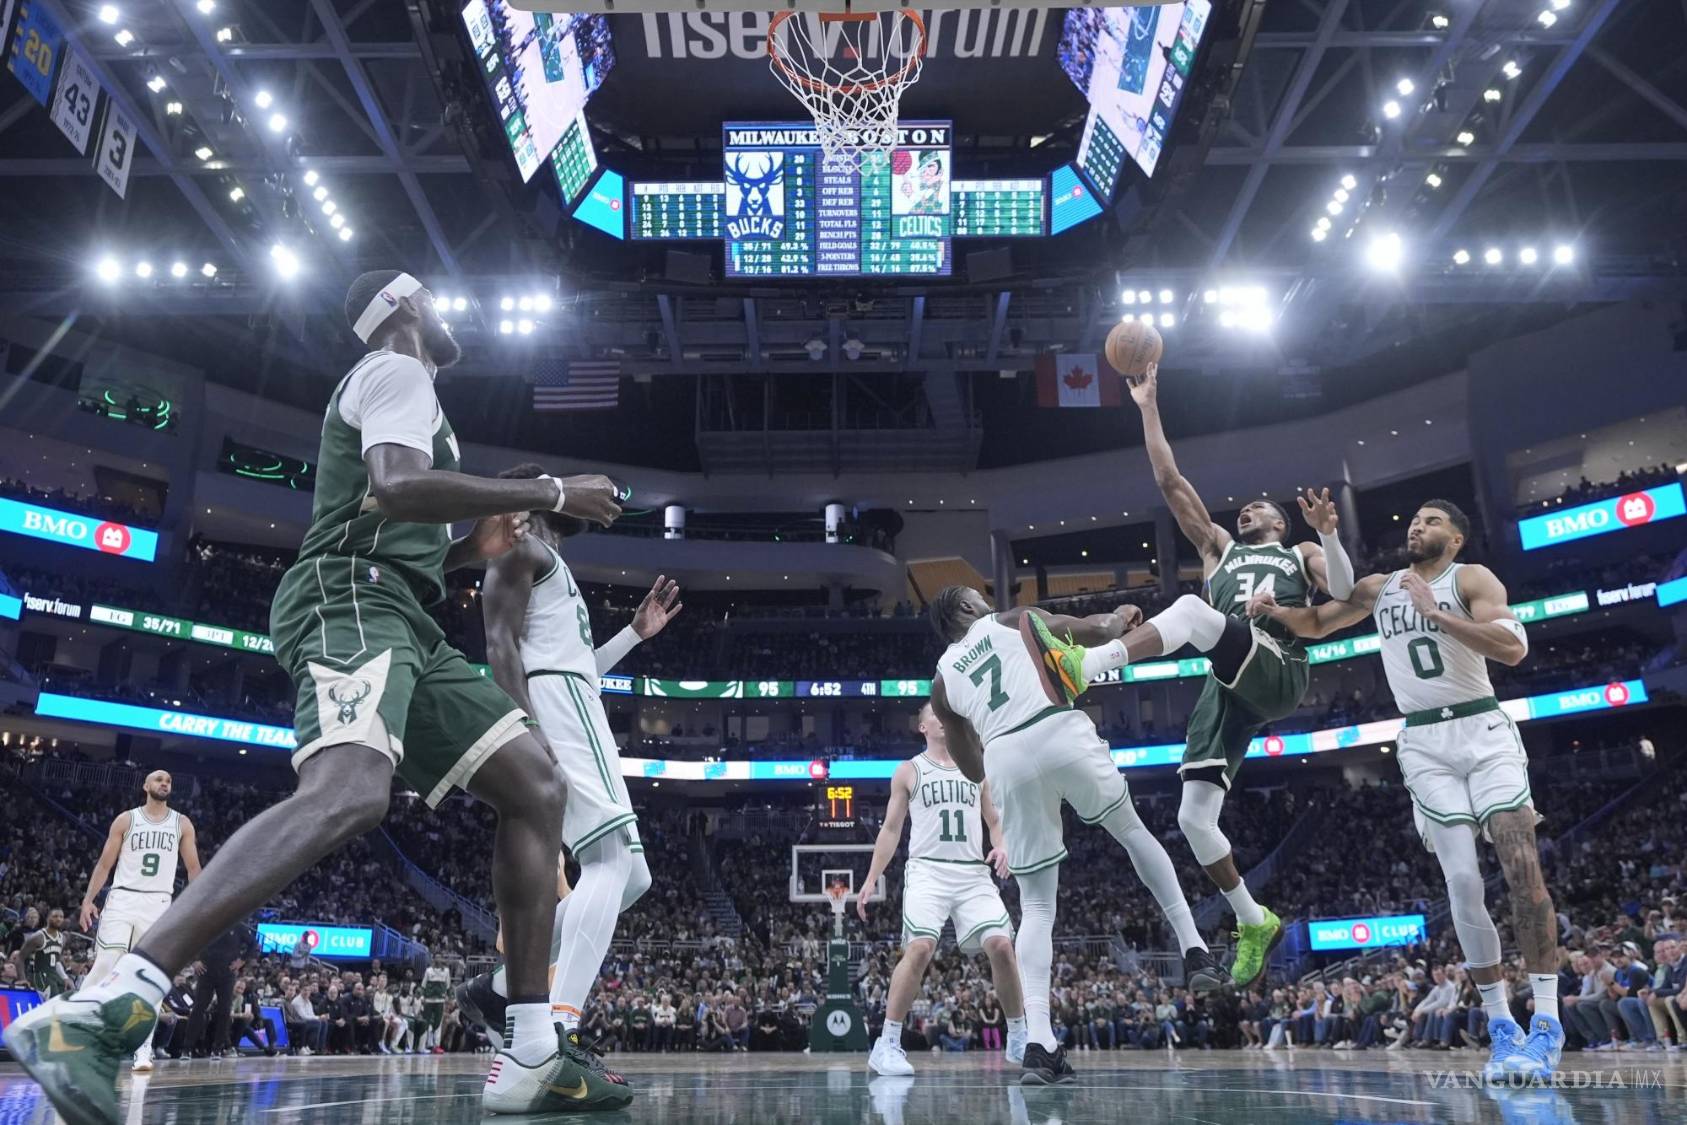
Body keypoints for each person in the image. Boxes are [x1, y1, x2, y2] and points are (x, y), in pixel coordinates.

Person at [2, 270, 630, 1122]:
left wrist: (464, 548)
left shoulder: (411, 392)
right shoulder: (396, 367)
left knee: (537, 785)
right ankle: (104, 1004)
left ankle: (531, 1051)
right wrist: (549, 491)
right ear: (404, 307)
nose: (444, 311)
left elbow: (395, 519)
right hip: (349, 597)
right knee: (350, 791)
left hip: (400, 609)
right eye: (431, 296)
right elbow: (397, 485)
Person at [1024, 363, 1351, 991]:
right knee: (1194, 818)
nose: (1248, 509)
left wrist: (1329, 537)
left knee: (1195, 613)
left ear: (1281, 523)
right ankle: (1253, 919)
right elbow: (1170, 480)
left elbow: (1339, 588)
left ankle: (1087, 665)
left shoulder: (1298, 552)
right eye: (1245, 508)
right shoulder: (1218, 549)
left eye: (1261, 507)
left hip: (1278, 666)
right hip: (1228, 687)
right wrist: (1148, 406)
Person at [1249, 498, 1564, 1082]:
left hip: (1482, 728)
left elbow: (1513, 648)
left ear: (1456, 538)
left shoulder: (1471, 578)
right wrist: (1275, 612)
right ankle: (1502, 1028)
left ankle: (1546, 1021)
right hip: (1423, 743)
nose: (1417, 525)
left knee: (1521, 864)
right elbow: (1318, 621)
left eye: (1432, 521)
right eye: (1414, 519)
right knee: (1462, 882)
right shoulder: (1381, 587)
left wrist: (1438, 614)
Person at [925, 585, 1224, 1086]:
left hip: (1005, 758)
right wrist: (1121, 615)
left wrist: (997, 742)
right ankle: (1194, 949)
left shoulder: (940, 684)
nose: (987, 600)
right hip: (1056, 726)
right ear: (965, 608)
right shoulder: (1013, 619)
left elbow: (971, 767)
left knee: (1038, 906)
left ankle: (1040, 1043)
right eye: (979, 597)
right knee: (1132, 832)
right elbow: (1097, 629)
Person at [455, 487, 680, 1099]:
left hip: (572, 697)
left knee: (632, 877)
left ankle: (500, 990)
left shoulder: (549, 560)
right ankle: (557, 1028)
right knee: (611, 861)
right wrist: (526, 724)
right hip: (561, 707)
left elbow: (576, 665)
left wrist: (633, 634)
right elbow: (500, 648)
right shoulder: (522, 547)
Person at [860, 703, 1029, 1076]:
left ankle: (1018, 1037)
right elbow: (891, 829)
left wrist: (1002, 847)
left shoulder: (977, 767)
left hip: (972, 873)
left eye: (947, 713)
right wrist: (872, 877)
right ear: (922, 726)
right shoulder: (909, 770)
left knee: (1002, 946)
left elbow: (994, 820)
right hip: (928, 871)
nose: (942, 718)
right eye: (934, 714)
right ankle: (887, 1044)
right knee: (920, 948)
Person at [76, 770, 202, 1072]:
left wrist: (197, 905)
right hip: (122, 898)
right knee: (106, 965)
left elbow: (193, 868)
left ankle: (143, 1050)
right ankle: (75, 1029)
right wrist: (88, 900)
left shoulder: (182, 823)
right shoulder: (126, 819)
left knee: (150, 977)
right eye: (159, 779)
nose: (164, 783)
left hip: (158, 903)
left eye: (168, 781)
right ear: (146, 786)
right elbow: (105, 864)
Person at [21, 909, 71, 998]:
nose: (58, 919)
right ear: (48, 919)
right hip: (39, 974)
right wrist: (22, 979)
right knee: (53, 998)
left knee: (70, 991)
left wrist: (65, 977)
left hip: (53, 974)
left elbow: (57, 961)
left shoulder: (62, 938)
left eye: (61, 917)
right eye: (55, 916)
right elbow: (20, 958)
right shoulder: (38, 937)